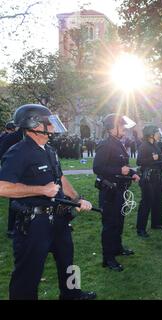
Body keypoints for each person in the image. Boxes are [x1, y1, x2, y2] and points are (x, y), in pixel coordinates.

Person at [0, 104, 96, 300]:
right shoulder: (18, 152)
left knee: (69, 262)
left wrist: (78, 199)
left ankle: (73, 295)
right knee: (27, 274)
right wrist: (41, 190)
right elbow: (2, 187)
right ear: (34, 124)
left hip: (59, 219)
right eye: (49, 123)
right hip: (34, 224)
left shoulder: (50, 150)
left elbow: (60, 179)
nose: (53, 127)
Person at [93, 113, 140, 272]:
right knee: (110, 225)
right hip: (109, 192)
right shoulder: (105, 144)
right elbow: (97, 168)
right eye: (122, 126)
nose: (125, 130)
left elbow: (122, 164)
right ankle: (108, 258)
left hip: (120, 190)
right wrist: (119, 170)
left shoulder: (118, 143)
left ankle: (118, 248)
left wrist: (132, 172)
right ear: (112, 128)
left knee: (119, 222)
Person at [136, 125, 162, 238]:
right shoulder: (144, 146)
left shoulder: (156, 145)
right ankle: (141, 229)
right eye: (156, 132)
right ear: (150, 134)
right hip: (147, 178)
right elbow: (139, 162)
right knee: (146, 202)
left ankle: (156, 223)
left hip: (157, 176)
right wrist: (151, 159)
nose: (158, 134)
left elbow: (158, 159)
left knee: (157, 201)